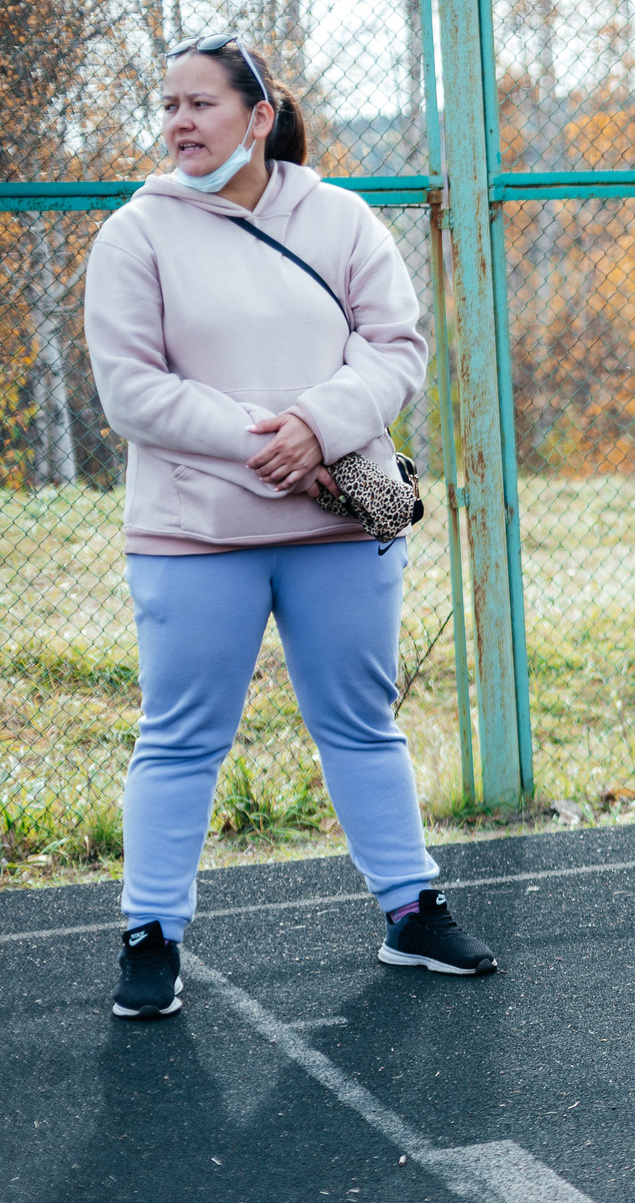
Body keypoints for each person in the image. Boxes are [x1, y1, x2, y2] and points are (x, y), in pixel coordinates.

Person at [85, 33, 492, 1019]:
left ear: (259, 116)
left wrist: (320, 425)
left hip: (335, 523)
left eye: (202, 104)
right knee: (180, 737)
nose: (180, 122)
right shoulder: (136, 235)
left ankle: (411, 909)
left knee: (361, 722)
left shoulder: (340, 218)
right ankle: (150, 934)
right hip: (193, 531)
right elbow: (130, 390)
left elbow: (396, 343)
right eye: (170, 105)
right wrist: (262, 437)